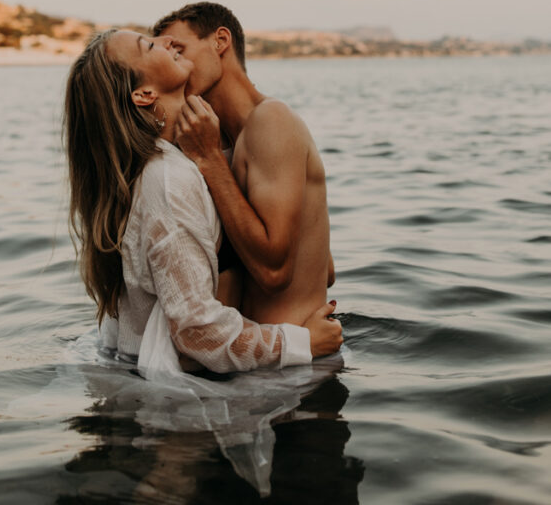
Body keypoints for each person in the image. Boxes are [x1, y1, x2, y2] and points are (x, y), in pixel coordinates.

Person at [64, 28, 343, 374]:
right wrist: (301, 342)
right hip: (173, 401)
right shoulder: (168, 180)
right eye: (150, 45)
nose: (166, 42)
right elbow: (197, 332)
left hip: (150, 380)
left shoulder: (177, 165)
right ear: (144, 94)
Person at [152, 3, 335, 328]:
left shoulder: (271, 120)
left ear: (220, 41)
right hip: (250, 360)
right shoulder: (226, 143)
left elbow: (274, 273)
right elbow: (325, 269)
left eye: (179, 50)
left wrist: (209, 159)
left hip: (291, 368)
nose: (173, 65)